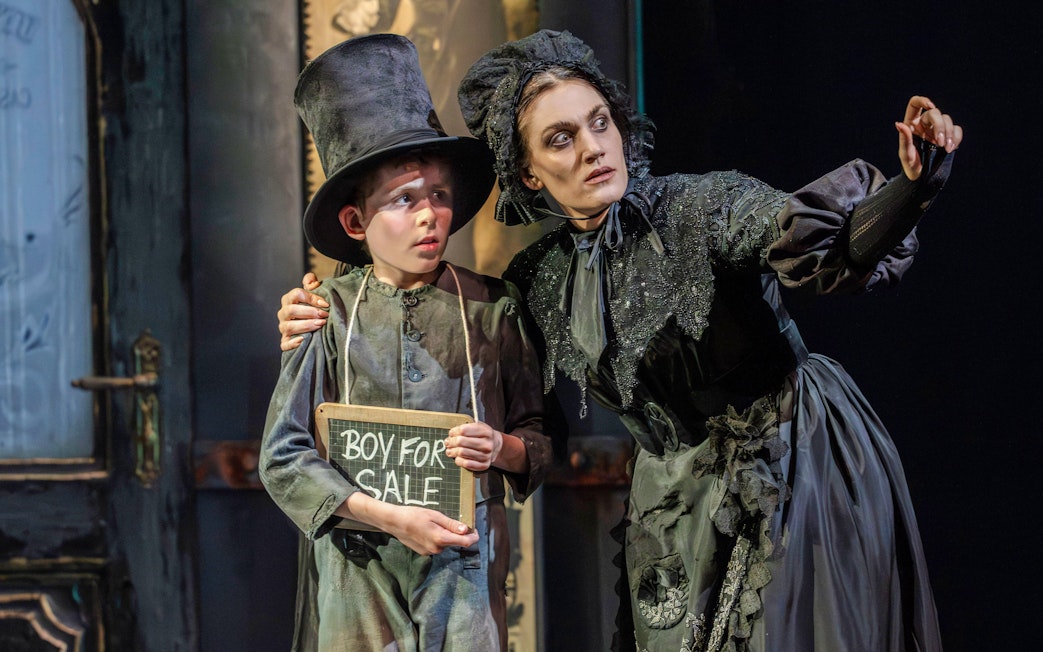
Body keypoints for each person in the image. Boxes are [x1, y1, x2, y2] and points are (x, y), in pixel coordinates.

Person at [280, 29, 961, 652]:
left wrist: (911, 189)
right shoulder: (537, 278)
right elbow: (508, 396)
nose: (592, 148)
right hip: (672, 494)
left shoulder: (702, 208)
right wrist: (319, 307)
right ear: (528, 173)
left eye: (598, 122)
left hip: (791, 460)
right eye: (560, 139)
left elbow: (826, 244)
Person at [260, 33, 550, 651]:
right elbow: (283, 456)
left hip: (463, 565)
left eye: (439, 195)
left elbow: (540, 436)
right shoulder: (328, 313)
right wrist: (387, 517)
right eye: (403, 199)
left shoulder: (494, 307)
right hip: (358, 566)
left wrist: (501, 447)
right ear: (355, 221)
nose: (428, 216)